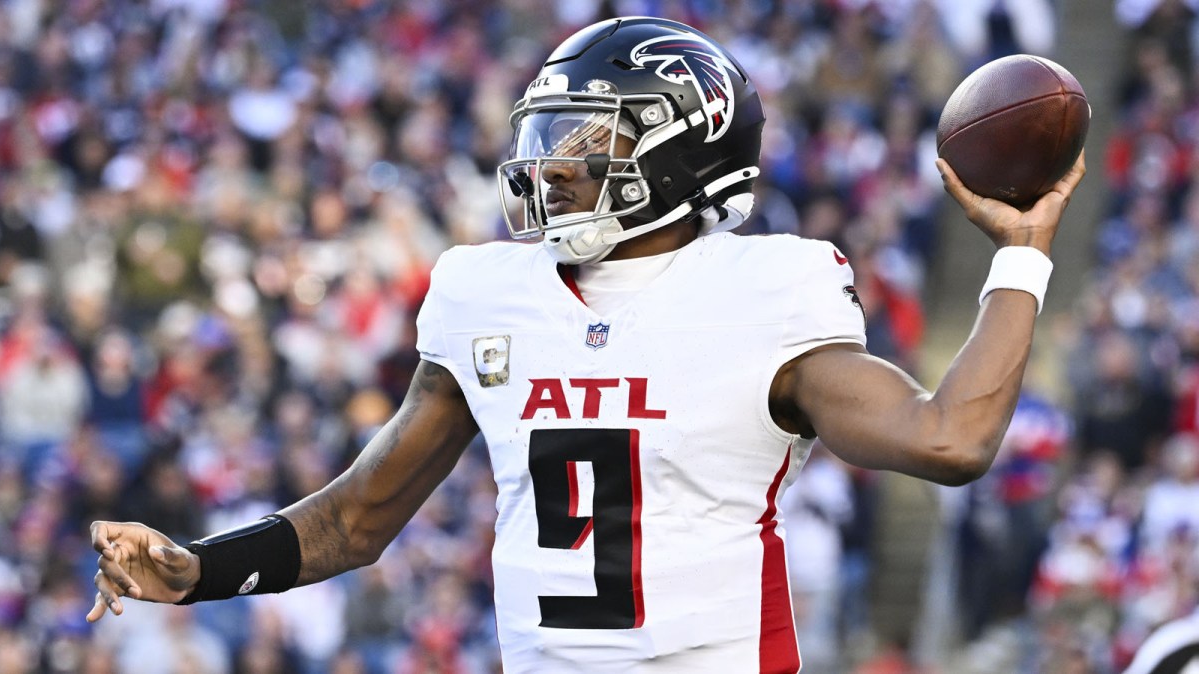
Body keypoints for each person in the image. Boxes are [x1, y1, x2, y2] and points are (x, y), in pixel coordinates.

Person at [85, 16, 1085, 673]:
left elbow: (951, 439)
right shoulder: (489, 290)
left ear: (686, 152)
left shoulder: (765, 289)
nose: (551, 165)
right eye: (551, 133)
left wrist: (1022, 258)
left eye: (589, 137)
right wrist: (200, 567)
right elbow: (359, 515)